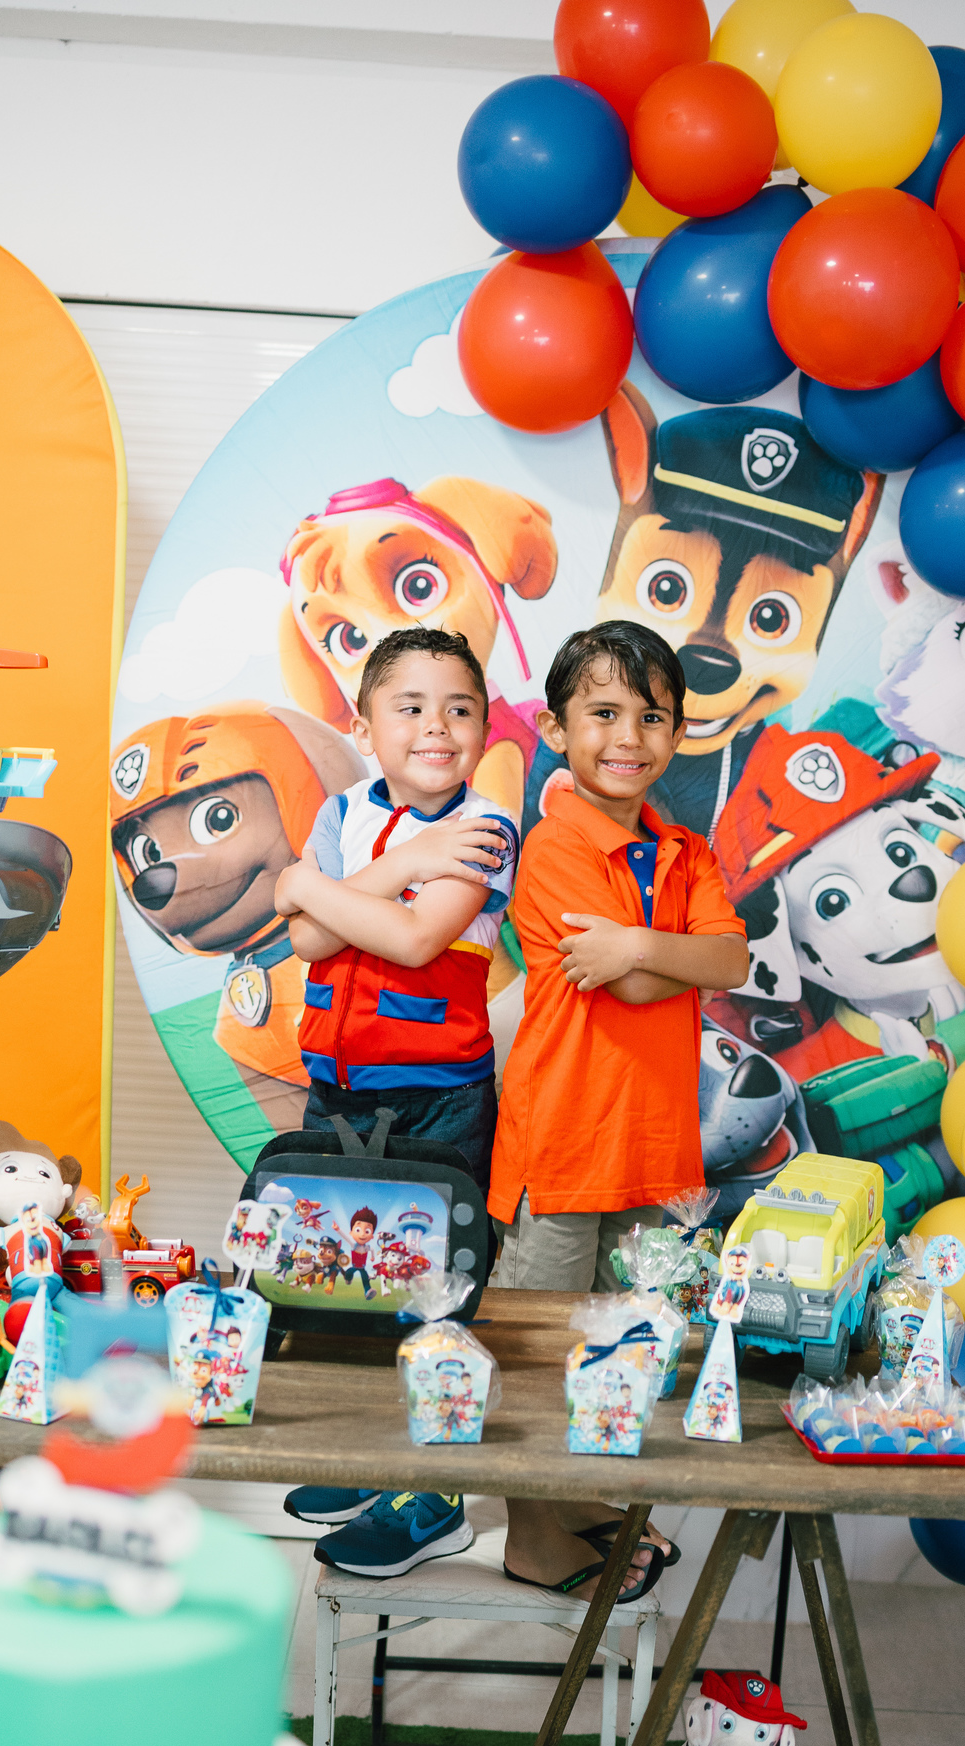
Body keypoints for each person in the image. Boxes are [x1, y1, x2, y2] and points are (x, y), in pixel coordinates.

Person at [491, 619, 749, 1600]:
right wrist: (670, 957)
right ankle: (532, 1537)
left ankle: (583, 1504)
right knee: (535, 1353)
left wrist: (636, 943)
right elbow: (648, 989)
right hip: (562, 1148)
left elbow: (730, 960)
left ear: (678, 733)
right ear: (557, 729)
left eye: (652, 716)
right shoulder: (555, 845)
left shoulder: (686, 851)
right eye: (602, 713)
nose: (628, 737)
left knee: (615, 1350)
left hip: (652, 1149)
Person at [275, 624, 521, 1577]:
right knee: (350, 1286)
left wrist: (315, 888)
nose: (436, 727)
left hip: (438, 1101)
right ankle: (377, 1465)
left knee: (438, 1299)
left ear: (484, 729)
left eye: (459, 709)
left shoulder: (485, 829)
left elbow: (417, 940)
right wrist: (392, 868)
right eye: (410, 707)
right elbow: (306, 944)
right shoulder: (341, 812)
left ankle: (437, 1497)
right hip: (336, 1094)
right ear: (365, 727)